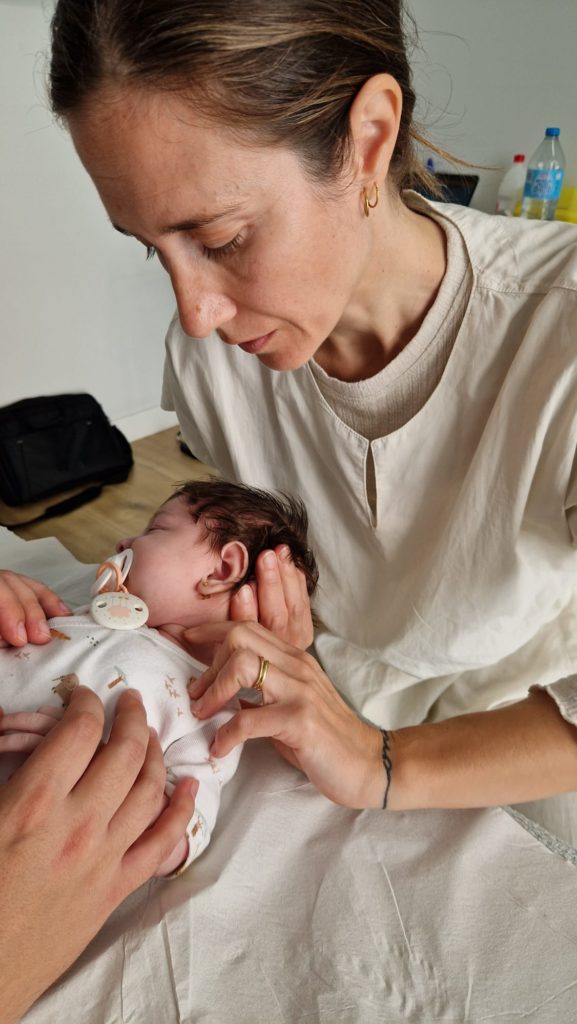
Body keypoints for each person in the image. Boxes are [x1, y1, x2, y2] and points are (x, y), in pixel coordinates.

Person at [2, 1, 577, 1006]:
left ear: (366, 139)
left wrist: (381, 763)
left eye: (221, 237)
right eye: (152, 250)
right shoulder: (214, 361)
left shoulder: (554, 344)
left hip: (509, 730)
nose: (192, 315)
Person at [0, 480, 319, 876]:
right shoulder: (80, 611)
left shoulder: (208, 707)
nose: (122, 542)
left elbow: (178, 828)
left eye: (154, 530)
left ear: (221, 569)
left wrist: (100, 776)